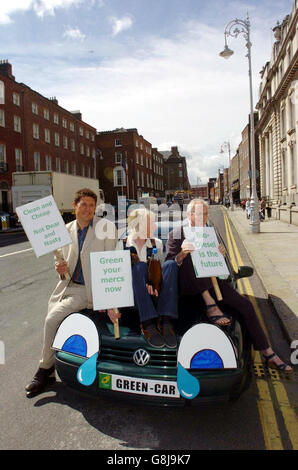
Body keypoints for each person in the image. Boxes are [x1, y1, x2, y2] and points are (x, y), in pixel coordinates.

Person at [165, 198, 293, 373]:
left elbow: (221, 272)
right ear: (189, 214)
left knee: (246, 306)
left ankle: (268, 353)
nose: (203, 217)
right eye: (199, 213)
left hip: (211, 284)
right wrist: (181, 254)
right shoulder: (177, 234)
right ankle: (210, 305)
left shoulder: (209, 233)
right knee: (189, 257)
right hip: (188, 288)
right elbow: (169, 265)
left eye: (206, 213)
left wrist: (219, 256)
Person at [25, 189, 118, 397]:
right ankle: (49, 369)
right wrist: (59, 268)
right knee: (53, 321)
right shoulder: (64, 230)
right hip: (69, 286)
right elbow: (59, 261)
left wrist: (111, 300)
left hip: (89, 291)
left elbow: (112, 264)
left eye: (92, 205)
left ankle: (44, 369)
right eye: (83, 204)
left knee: (51, 320)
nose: (88, 209)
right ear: (74, 206)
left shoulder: (106, 229)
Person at [116, 207, 178, 349]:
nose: (155, 226)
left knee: (170, 265)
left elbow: (159, 271)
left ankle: (165, 320)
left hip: (154, 296)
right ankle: (148, 322)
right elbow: (117, 277)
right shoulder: (122, 245)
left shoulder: (157, 244)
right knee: (139, 267)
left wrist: (154, 284)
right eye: (151, 223)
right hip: (134, 299)